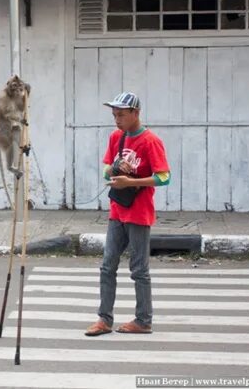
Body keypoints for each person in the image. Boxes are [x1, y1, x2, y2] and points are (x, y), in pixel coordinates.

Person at [85, 92, 170, 336]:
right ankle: (104, 320)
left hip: (139, 213)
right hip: (117, 211)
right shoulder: (116, 137)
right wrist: (114, 170)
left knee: (139, 270)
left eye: (121, 115)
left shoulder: (151, 141)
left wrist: (131, 182)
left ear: (136, 113)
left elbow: (164, 177)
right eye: (114, 115)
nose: (117, 119)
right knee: (107, 266)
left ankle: (143, 320)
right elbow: (105, 170)